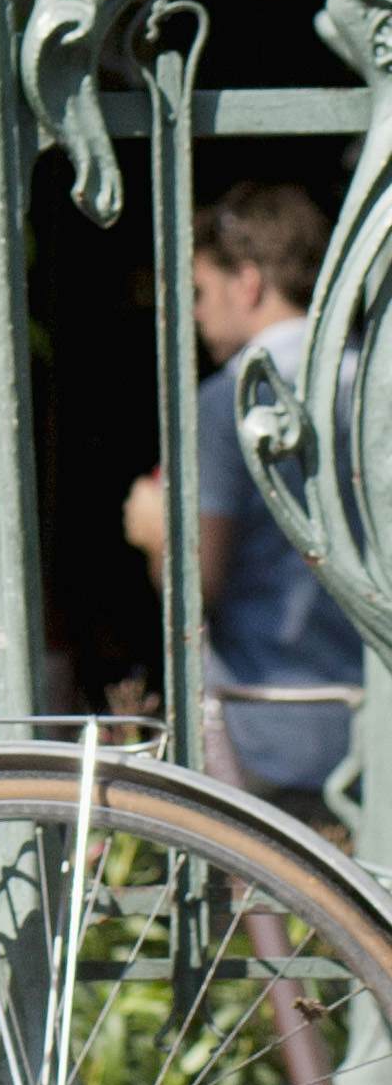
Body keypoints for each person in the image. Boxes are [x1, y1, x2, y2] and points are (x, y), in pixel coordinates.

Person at [123, 181, 357, 819]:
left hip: (270, 725)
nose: (195, 315)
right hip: (371, 721)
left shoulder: (229, 401)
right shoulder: (370, 385)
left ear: (247, 283)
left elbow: (197, 587)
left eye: (200, 292)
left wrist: (154, 533)